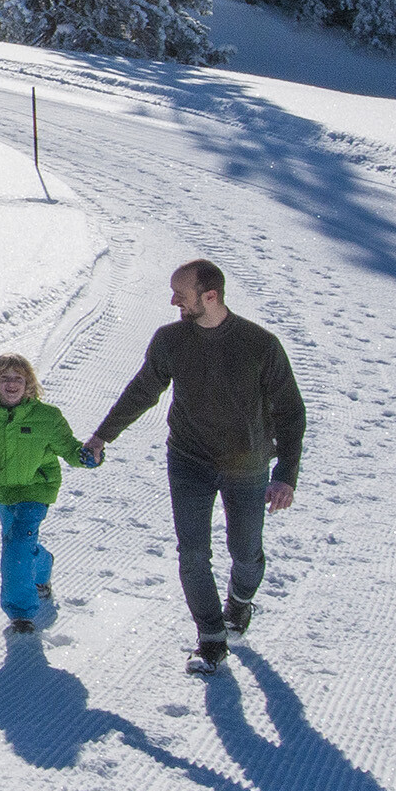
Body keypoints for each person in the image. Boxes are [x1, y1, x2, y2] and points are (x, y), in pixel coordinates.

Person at [83, 258, 305, 672]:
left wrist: (285, 476)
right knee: (193, 554)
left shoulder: (260, 344)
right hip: (189, 460)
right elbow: (143, 390)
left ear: (210, 295)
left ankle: (239, 601)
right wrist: (102, 436)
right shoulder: (170, 340)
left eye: (180, 295)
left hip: (247, 464)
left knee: (245, 551)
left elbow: (291, 412)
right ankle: (211, 639)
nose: (173, 301)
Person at [0, 353, 81, 635]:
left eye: (18, 378)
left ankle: (21, 614)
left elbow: (71, 449)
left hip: (37, 487)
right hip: (3, 491)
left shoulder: (47, 417)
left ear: (28, 383)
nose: (12, 384)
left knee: (15, 546)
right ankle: (43, 566)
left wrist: (89, 455)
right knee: (21, 545)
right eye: (5, 378)